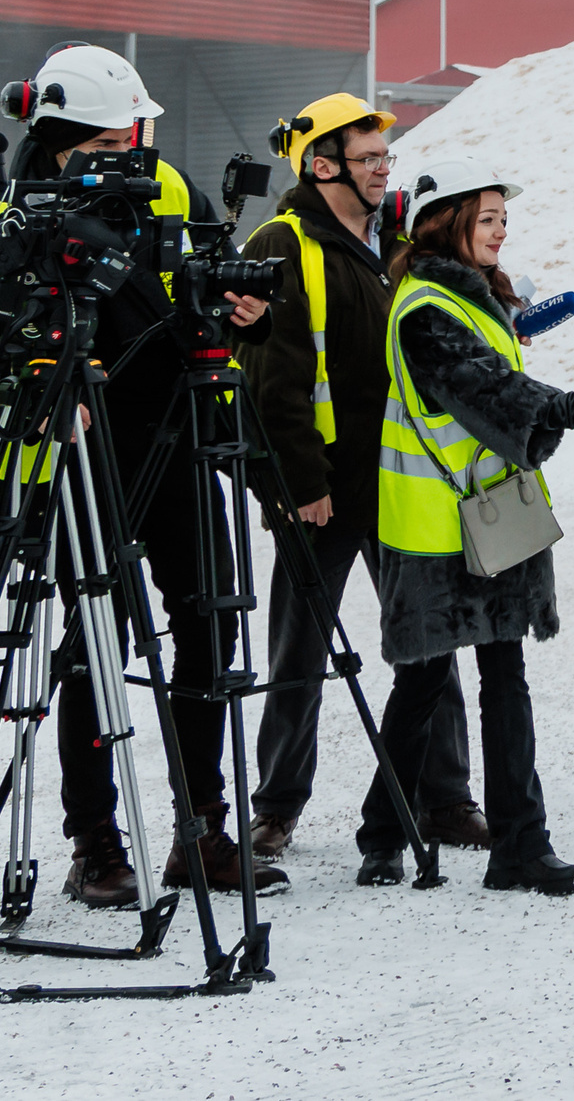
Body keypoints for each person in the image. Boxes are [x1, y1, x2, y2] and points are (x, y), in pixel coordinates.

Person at [0, 42, 279, 910]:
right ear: (56, 140)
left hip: (179, 441)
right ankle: (94, 838)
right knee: (95, 643)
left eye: (130, 137)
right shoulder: (7, 218)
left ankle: (203, 828)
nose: (126, 155)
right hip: (77, 459)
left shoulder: (170, 187)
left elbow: (204, 295)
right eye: (102, 144)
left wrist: (242, 312)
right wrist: (35, 396)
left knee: (210, 627)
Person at [361, 157, 574, 895]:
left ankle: (521, 846)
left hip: (492, 513)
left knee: (505, 678)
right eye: (488, 218)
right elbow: (494, 392)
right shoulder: (425, 309)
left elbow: (502, 387)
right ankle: (383, 832)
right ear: (446, 222)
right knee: (422, 684)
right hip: (437, 525)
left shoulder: (473, 298)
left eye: (504, 219)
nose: (501, 232)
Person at [238, 93, 483, 864]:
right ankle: (276, 806)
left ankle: (446, 797)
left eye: (386, 157)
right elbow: (272, 378)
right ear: (322, 165)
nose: (383, 169)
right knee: (299, 651)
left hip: (399, 482)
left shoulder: (395, 244)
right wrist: (299, 484)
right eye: (369, 157)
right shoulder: (284, 243)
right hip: (319, 490)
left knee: (429, 640)